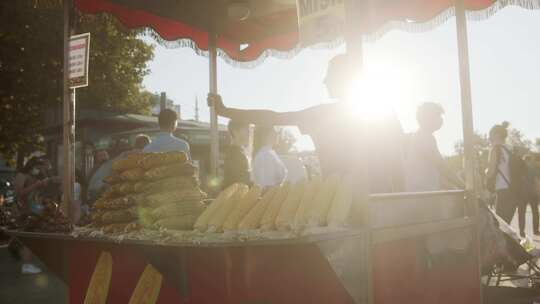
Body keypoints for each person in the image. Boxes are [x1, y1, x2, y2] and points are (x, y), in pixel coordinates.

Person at [208, 53, 405, 195]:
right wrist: (226, 111)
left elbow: (274, 117)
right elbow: (398, 163)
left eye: (330, 74)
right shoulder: (384, 113)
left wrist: (226, 111)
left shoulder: (326, 115)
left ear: (347, 78)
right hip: (373, 202)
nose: (324, 80)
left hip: (356, 200)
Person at [403, 103, 464, 192]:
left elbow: (435, 171)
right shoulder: (424, 137)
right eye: (438, 116)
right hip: (423, 194)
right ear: (428, 118)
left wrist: (451, 187)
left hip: (423, 192)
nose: (441, 120)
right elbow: (441, 166)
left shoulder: (422, 136)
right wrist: (464, 186)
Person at [486, 122, 526, 235]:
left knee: (499, 226)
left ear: (496, 135)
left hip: (503, 190)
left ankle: (503, 251)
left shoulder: (495, 149)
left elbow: (490, 172)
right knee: (506, 225)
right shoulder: (510, 150)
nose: (490, 138)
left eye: (491, 135)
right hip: (514, 191)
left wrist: (486, 172)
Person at [12, 157, 51, 274]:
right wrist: (35, 185)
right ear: (32, 166)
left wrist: (42, 182)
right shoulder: (21, 175)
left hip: (34, 209)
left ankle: (26, 261)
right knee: (29, 237)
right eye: (38, 168)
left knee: (31, 237)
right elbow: (19, 193)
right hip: (23, 210)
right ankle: (26, 265)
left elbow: (35, 193)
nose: (39, 170)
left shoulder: (34, 176)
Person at [223, 120, 251, 189]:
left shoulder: (238, 152)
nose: (249, 133)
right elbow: (239, 182)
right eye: (246, 130)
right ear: (235, 132)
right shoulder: (234, 154)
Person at [522, 155, 539, 235]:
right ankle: (535, 231)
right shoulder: (533, 169)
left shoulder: (521, 169)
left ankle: (522, 231)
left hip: (523, 193)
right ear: (529, 160)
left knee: (522, 212)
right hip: (532, 193)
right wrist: (537, 192)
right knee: (535, 212)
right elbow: (536, 181)